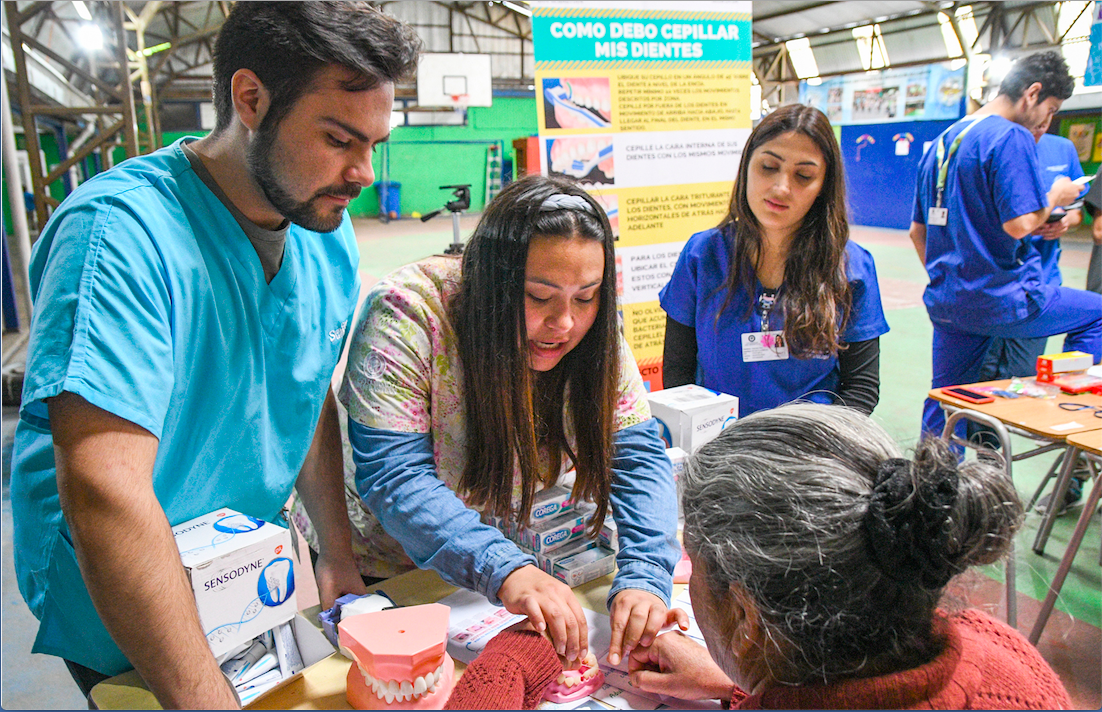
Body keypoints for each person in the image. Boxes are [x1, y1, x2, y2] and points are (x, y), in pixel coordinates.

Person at [9, 3, 421, 707]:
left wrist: (335, 555)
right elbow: (106, 491)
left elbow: (304, 391)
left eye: (374, 144)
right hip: (125, 588)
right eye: (337, 139)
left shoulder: (320, 228)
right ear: (250, 99)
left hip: (243, 575)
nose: (362, 172)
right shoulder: (120, 236)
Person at [429, 404, 1071, 709]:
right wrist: (743, 684)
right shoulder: (1000, 649)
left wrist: (511, 659)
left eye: (694, 569)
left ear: (745, 618)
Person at [290, 174, 682, 668]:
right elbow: (394, 475)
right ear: (492, 282)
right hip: (384, 557)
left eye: (586, 297)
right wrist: (503, 568)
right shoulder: (409, 312)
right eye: (538, 296)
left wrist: (647, 572)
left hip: (498, 550)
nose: (564, 322)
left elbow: (637, 455)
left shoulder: (594, 336)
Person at [909, 50, 1102, 440]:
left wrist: (952, 279)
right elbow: (1019, 224)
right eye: (1050, 109)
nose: (1047, 122)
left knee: (946, 398)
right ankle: (1079, 410)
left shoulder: (943, 142)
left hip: (949, 302)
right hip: (1004, 299)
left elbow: (917, 232)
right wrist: (1056, 195)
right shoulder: (1011, 136)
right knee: (1097, 313)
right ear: (1032, 93)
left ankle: (935, 475)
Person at [660, 103, 889, 417]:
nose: (781, 188)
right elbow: (677, 370)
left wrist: (808, 441)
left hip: (808, 440)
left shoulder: (851, 267)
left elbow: (861, 388)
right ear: (746, 167)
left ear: (823, 187)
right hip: (719, 438)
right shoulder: (703, 255)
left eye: (804, 176)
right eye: (768, 167)